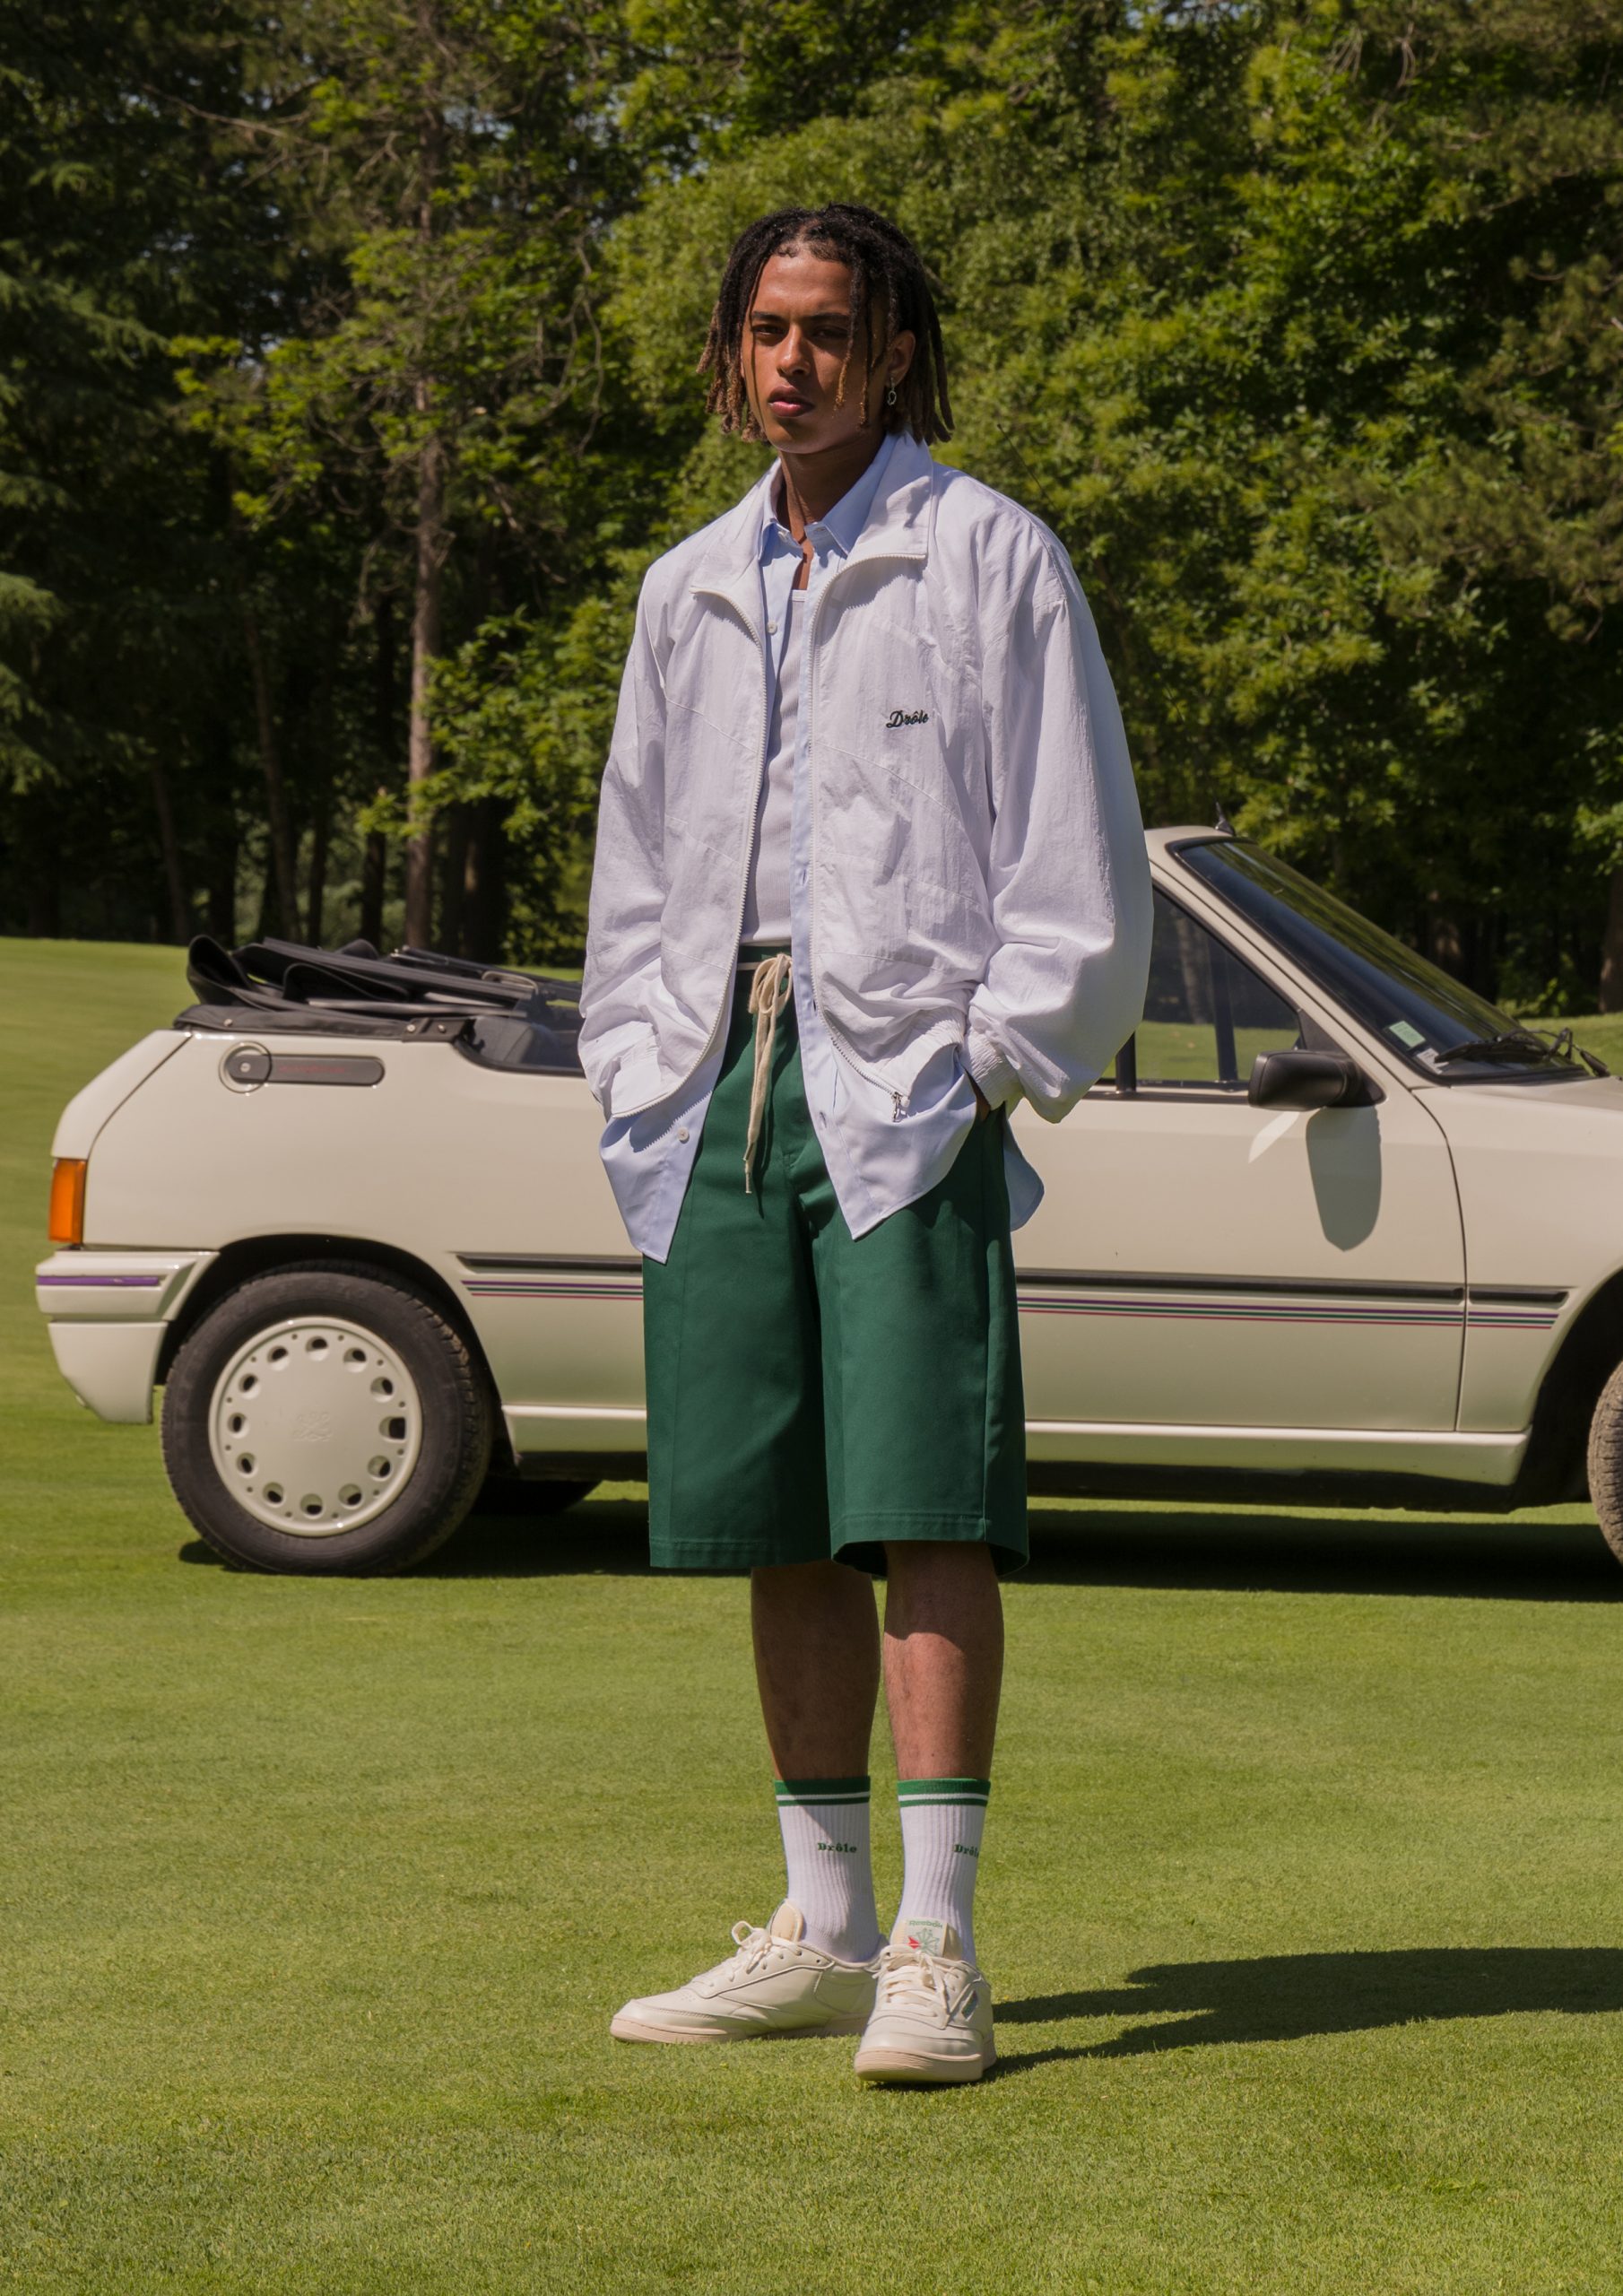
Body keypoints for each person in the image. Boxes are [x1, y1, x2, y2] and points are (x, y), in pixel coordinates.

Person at [579, 202, 1150, 2086]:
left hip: (905, 1090)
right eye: (766, 328)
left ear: (894, 350)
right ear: (729, 349)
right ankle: (820, 1927)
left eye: (828, 329)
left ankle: (935, 1943)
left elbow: (1073, 849)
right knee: (775, 1517)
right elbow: (637, 857)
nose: (792, 362)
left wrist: (985, 1067)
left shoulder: (986, 554)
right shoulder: (686, 586)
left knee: (922, 1507)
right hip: (715, 1090)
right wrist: (632, 1070)